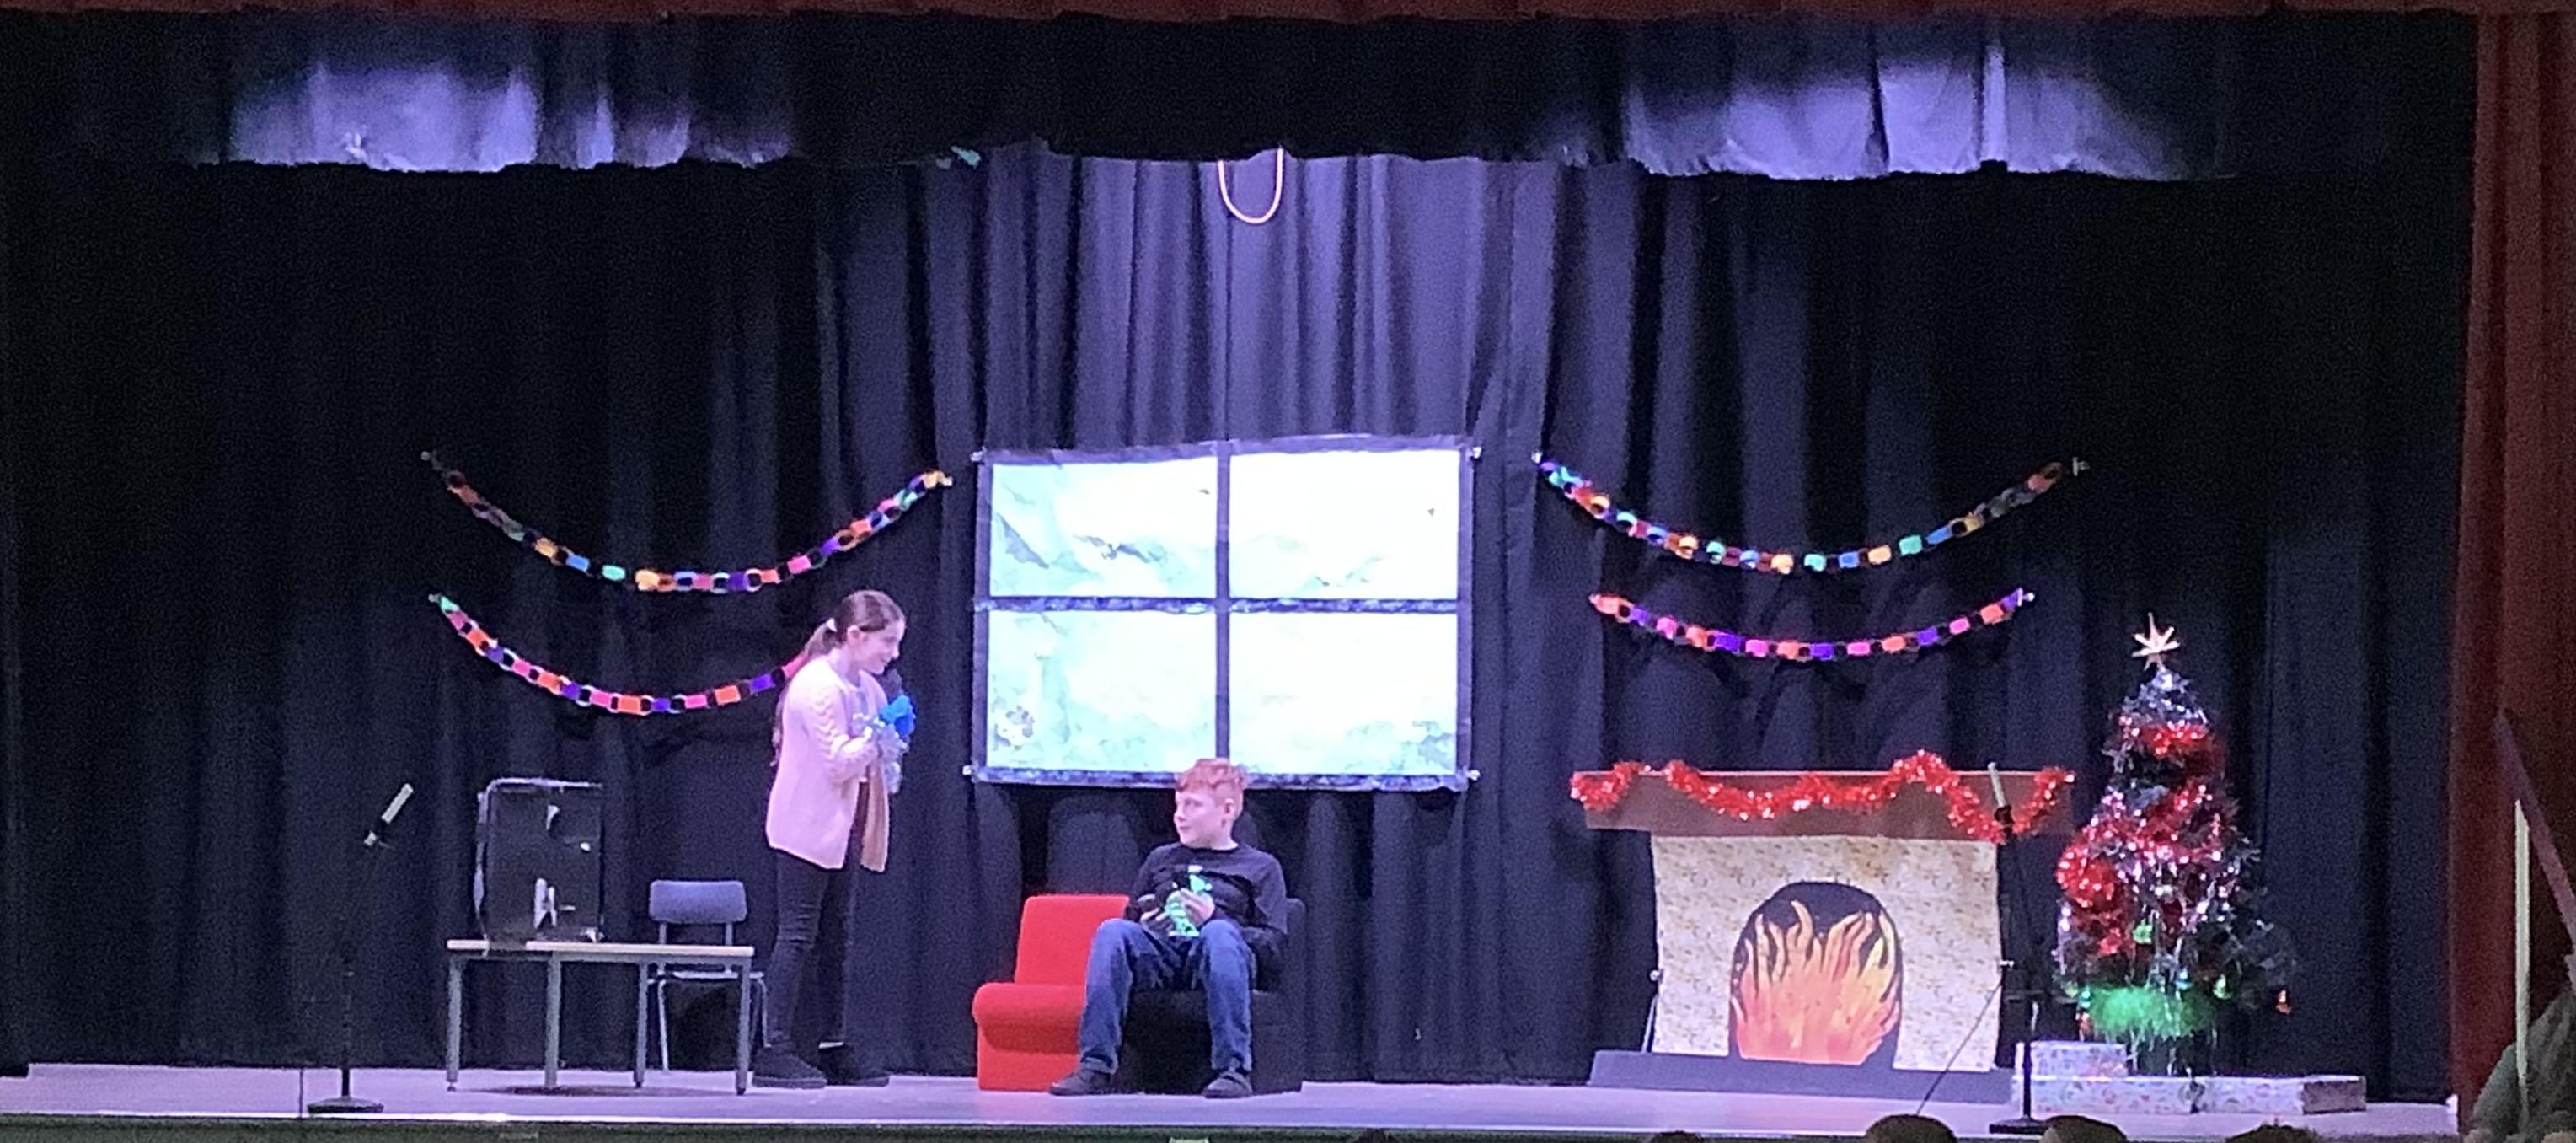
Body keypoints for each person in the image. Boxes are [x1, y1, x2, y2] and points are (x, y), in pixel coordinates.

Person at [1049, 757, 1289, 1099]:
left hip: (1220, 958)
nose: (1180, 815)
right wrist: (1145, 923)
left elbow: (1273, 948)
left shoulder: (1260, 866)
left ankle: (1234, 1071)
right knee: (1113, 931)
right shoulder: (1161, 859)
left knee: (1218, 935)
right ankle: (1095, 1067)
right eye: (1178, 805)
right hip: (1164, 955)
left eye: (1192, 805)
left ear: (1227, 810)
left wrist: (1215, 919)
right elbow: (1133, 918)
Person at [754, 588, 910, 1089]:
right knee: (797, 935)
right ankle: (773, 1048)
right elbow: (839, 762)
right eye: (887, 642)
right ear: (856, 635)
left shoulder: (867, 687)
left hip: (845, 828)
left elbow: (879, 757)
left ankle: (832, 1044)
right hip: (805, 825)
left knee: (837, 941)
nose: (893, 654)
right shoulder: (817, 686)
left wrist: (892, 738)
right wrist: (878, 734)